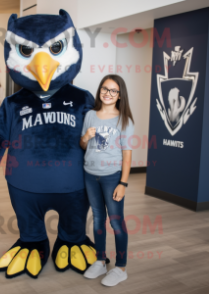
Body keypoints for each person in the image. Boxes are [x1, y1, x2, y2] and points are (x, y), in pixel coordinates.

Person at [80, 74, 134, 286]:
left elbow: (127, 155)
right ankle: (100, 260)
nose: (108, 93)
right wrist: (86, 138)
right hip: (89, 174)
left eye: (113, 90)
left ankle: (120, 267)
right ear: (100, 90)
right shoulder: (90, 115)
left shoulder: (124, 120)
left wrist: (123, 183)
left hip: (112, 177)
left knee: (116, 222)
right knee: (98, 219)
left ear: (120, 95)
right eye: (105, 88)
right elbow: (84, 145)